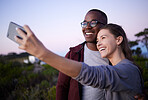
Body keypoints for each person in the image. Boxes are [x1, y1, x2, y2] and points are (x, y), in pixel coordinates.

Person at [15, 23, 143, 100]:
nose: (99, 43)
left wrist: (42, 53)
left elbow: (92, 75)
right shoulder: (121, 68)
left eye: (103, 38)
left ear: (118, 40)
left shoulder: (128, 69)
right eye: (97, 40)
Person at [56, 9, 109, 100]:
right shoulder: (73, 55)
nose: (87, 27)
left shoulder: (113, 54)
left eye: (93, 23)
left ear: (105, 27)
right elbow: (62, 86)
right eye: (84, 23)